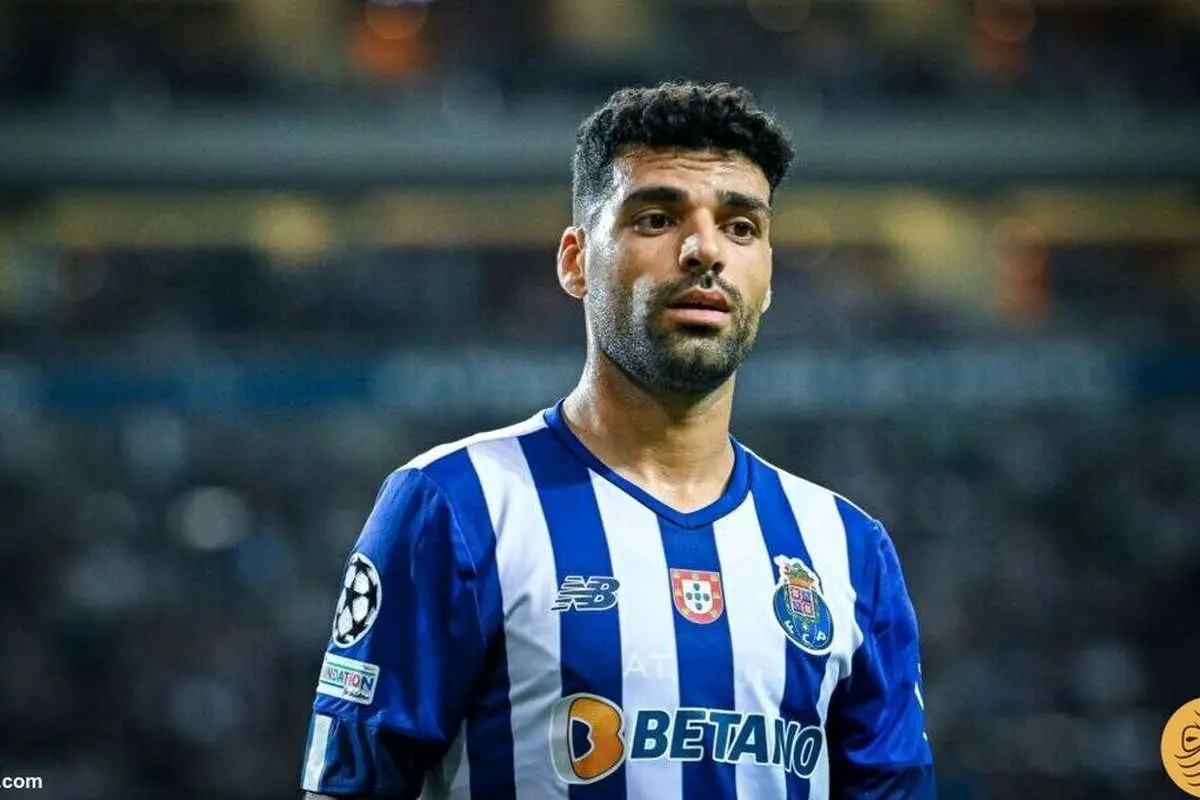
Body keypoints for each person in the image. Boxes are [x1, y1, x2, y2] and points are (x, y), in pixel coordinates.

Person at [299, 81, 936, 799]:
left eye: (740, 227)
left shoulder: (847, 549)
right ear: (575, 260)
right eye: (657, 218)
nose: (705, 250)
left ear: (767, 276)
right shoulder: (456, 506)